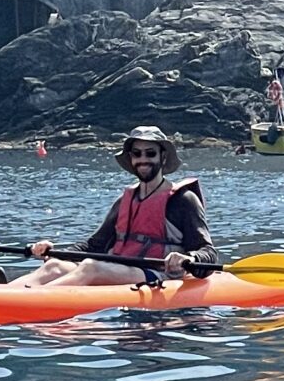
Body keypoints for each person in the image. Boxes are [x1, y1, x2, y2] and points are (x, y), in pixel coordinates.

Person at [14, 125, 216, 294]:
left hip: (158, 274)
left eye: (150, 153)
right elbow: (94, 245)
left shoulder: (183, 200)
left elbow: (208, 252)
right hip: (118, 268)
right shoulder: (125, 200)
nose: (143, 159)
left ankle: (28, 300)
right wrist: (53, 252)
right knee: (54, 266)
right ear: (131, 159)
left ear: (163, 157)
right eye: (137, 154)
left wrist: (190, 259)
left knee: (90, 267)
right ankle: (5, 291)